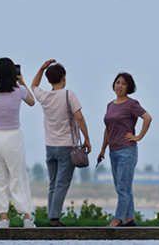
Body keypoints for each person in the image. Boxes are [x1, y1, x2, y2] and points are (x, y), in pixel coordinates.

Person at [31, 58, 92, 227]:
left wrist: (41, 68)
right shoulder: (68, 94)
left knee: (53, 183)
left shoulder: (44, 96)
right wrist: (87, 138)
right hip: (67, 147)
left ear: (49, 80)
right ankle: (54, 219)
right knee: (62, 183)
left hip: (49, 146)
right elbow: (79, 117)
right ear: (64, 77)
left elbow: (34, 85)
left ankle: (52, 216)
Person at [0, 57, 36, 229]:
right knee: (18, 177)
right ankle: (27, 218)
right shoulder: (20, 90)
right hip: (13, 137)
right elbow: (31, 102)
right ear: (14, 73)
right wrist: (22, 82)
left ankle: (3, 219)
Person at [97, 72, 151, 228]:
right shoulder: (110, 105)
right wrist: (102, 149)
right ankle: (129, 218)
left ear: (129, 87)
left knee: (122, 187)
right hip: (113, 151)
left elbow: (147, 118)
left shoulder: (132, 104)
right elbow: (108, 128)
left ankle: (118, 219)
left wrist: (138, 136)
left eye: (123, 84)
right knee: (122, 186)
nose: (119, 86)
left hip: (127, 150)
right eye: (117, 82)